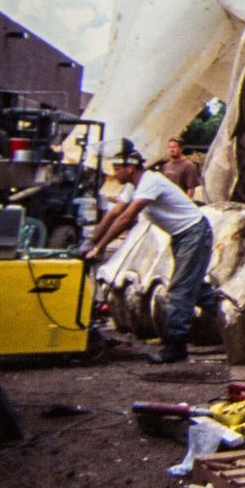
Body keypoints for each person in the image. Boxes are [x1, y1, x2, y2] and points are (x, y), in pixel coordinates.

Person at [84, 141, 218, 363]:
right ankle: (227, 322)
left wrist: (99, 248)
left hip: (194, 233)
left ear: (130, 168)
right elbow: (115, 212)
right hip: (182, 236)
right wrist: (90, 241)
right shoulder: (132, 187)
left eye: (117, 169)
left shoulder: (150, 182)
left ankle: (175, 347)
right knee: (196, 289)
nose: (114, 173)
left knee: (179, 290)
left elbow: (127, 218)